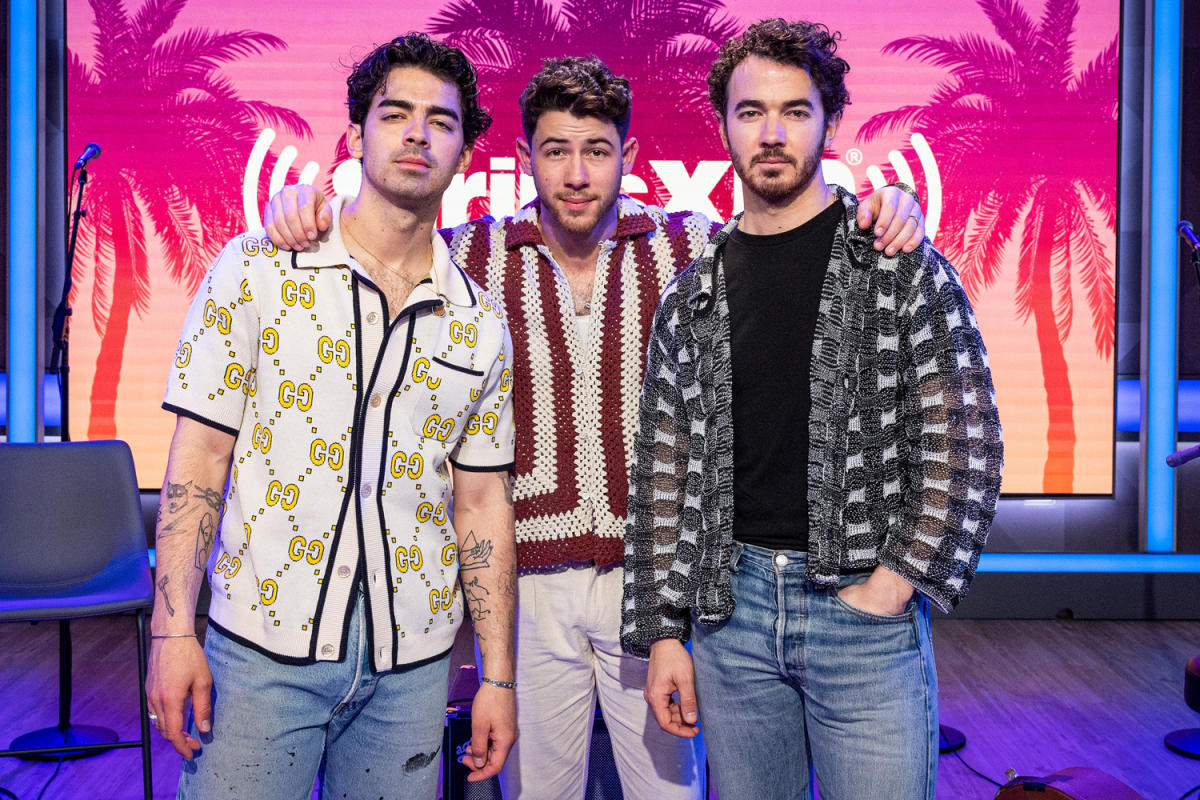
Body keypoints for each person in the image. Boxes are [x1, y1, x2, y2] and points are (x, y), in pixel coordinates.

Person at [264, 55, 927, 800]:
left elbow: (792, 229)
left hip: (654, 586)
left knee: (669, 792)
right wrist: (301, 207)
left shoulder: (693, 250)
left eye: (597, 151)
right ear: (523, 160)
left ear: (630, 158)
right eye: (555, 151)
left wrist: (893, 204)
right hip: (528, 590)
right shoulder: (467, 256)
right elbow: (374, 234)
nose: (577, 173)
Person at [621, 18, 1004, 800]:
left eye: (795, 110)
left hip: (861, 617)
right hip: (731, 616)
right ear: (722, 124)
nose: (771, 132)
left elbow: (964, 437)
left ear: (830, 120)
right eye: (751, 111)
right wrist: (664, 630)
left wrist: (896, 582)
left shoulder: (895, 263)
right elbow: (664, 473)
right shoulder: (692, 297)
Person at [145, 33, 518, 799]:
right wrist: (172, 630)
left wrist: (499, 678)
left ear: (466, 153)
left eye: (441, 122)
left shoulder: (479, 324)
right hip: (257, 654)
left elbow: (481, 506)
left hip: (411, 670)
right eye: (396, 113)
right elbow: (199, 460)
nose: (417, 134)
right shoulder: (257, 269)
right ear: (354, 134)